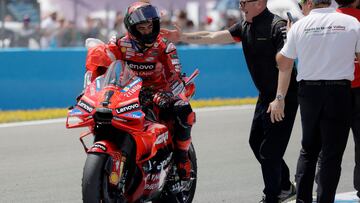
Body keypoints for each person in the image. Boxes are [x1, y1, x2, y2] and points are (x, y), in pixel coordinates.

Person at [161, 0, 298, 202]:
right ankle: (285, 186)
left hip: (284, 95)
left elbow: (286, 65)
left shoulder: (276, 26)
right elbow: (213, 36)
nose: (240, 6)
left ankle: (272, 196)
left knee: (270, 152)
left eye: (244, 2)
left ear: (259, 3)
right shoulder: (244, 26)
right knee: (256, 142)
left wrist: (280, 98)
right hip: (265, 96)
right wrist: (182, 37)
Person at [85, 2, 195, 182]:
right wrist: (91, 89)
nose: (147, 31)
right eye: (142, 28)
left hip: (158, 95)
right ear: (132, 28)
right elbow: (102, 70)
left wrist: (170, 95)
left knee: (184, 109)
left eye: (150, 26)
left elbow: (175, 76)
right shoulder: (119, 44)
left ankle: (183, 159)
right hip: (126, 94)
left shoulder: (165, 46)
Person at [268, 0, 360, 201]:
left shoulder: (300, 25)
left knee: (308, 149)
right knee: (331, 154)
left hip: (309, 92)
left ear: (311, 3)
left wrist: (293, 36)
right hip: (339, 91)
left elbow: (283, 63)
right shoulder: (351, 22)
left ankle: (302, 199)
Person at [335, 0, 360, 198]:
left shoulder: (326, 19)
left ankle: (321, 185)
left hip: (333, 88)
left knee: (328, 144)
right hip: (358, 87)